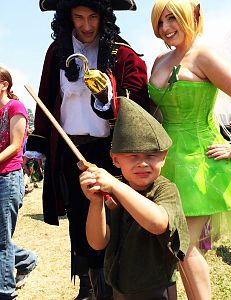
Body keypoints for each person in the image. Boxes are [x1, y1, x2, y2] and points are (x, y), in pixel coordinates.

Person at [23, 0, 149, 299]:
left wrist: (109, 98)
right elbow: (45, 97)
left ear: (104, 17)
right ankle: (87, 286)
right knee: (78, 218)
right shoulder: (56, 52)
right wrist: (38, 146)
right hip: (68, 151)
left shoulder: (123, 53)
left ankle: (113, 284)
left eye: (93, 17)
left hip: (110, 153)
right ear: (68, 18)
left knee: (114, 217)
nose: (87, 25)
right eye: (79, 17)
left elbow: (140, 102)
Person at [149, 1, 231, 299]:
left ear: (190, 17)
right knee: (174, 248)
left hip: (198, 162)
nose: (166, 28)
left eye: (172, 19)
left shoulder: (204, 55)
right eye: (160, 22)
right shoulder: (161, 58)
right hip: (165, 161)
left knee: (183, 246)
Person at [80, 97, 189, 299]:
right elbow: (97, 243)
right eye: (132, 156)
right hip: (119, 285)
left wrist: (116, 186)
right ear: (115, 159)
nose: (142, 163)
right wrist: (96, 203)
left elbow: (158, 223)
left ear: (164, 157)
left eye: (151, 155)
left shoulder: (165, 189)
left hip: (156, 287)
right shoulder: (113, 189)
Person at [0, 65, 38, 299]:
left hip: (8, 178)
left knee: (1, 241)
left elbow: (15, 145)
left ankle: (5, 292)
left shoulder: (16, 107)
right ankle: (27, 259)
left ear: (4, 84)